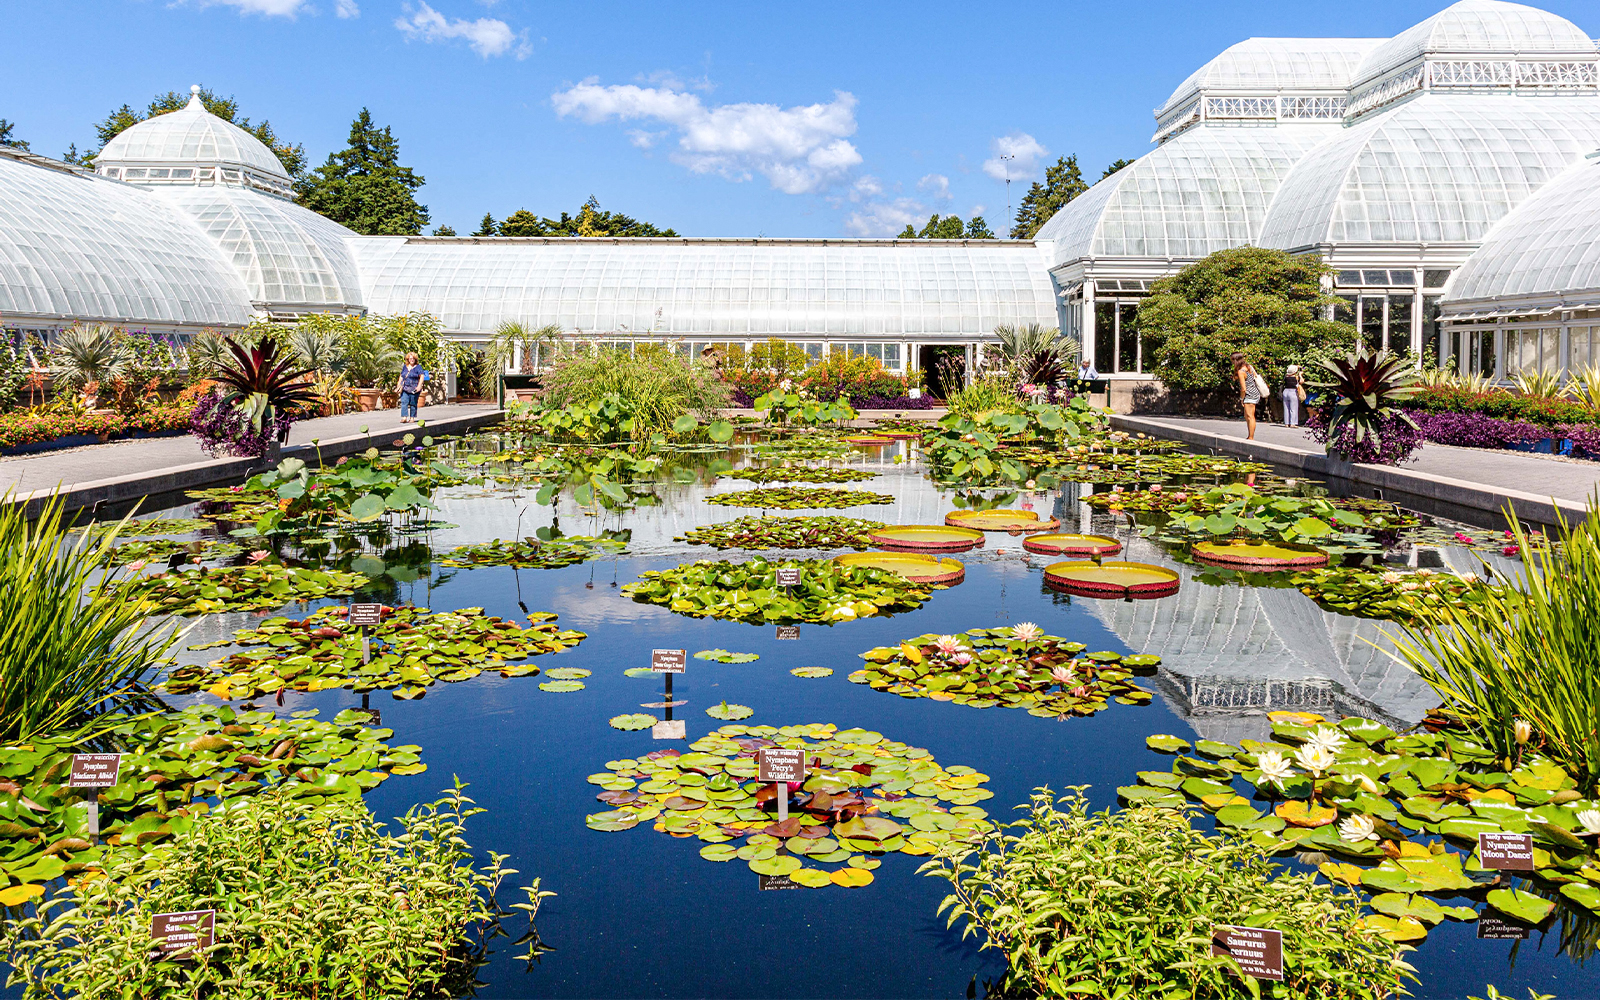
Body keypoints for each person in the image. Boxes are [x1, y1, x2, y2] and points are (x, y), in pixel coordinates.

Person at [1232, 351, 1264, 440]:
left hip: (1249, 394)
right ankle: (1250, 435)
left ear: (1235, 360)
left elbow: (1243, 388)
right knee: (1248, 416)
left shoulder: (1241, 371)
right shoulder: (1249, 367)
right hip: (1255, 392)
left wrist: (1242, 398)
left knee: (1250, 416)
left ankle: (1251, 436)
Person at [397, 351, 428, 423]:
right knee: (404, 402)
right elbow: (402, 376)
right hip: (405, 387)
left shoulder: (418, 367)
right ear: (408, 359)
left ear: (415, 359)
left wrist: (419, 386)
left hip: (414, 388)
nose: (412, 360)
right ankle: (404, 417)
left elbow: (422, 376)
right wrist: (399, 384)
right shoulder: (405, 367)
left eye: (413, 358)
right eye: (410, 358)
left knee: (413, 403)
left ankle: (412, 418)